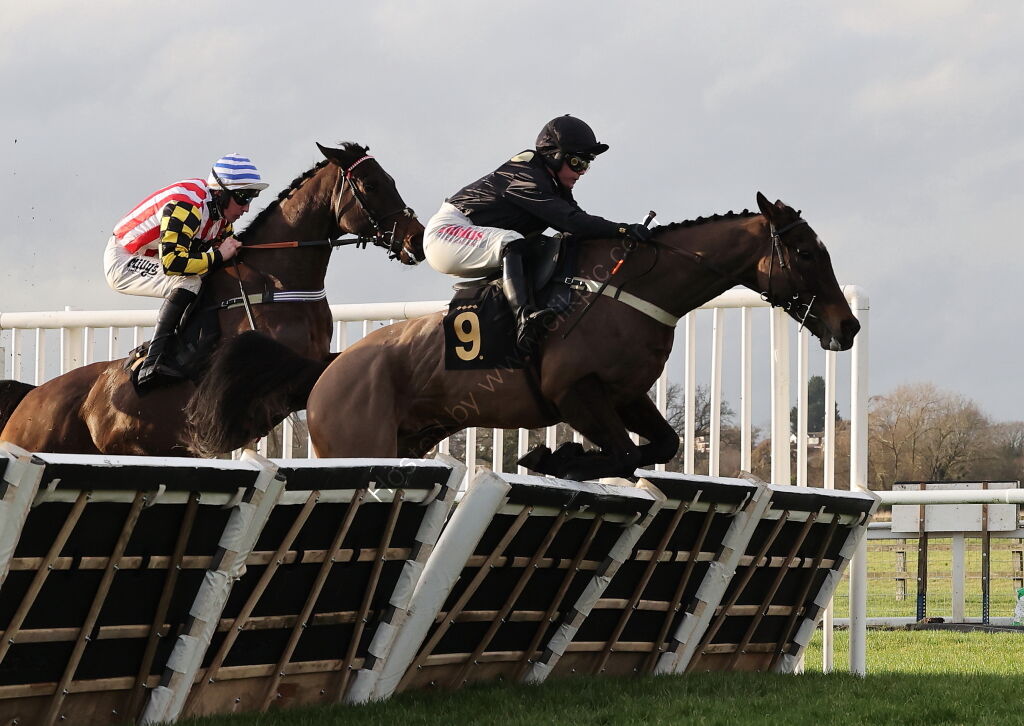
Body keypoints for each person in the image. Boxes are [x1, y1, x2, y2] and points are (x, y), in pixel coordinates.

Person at [422, 114, 652, 354]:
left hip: (467, 234)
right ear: (555, 156)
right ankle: (524, 318)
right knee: (512, 242)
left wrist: (621, 236)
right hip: (446, 233)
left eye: (588, 164)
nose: (583, 171)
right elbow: (571, 221)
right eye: (578, 162)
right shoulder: (526, 175)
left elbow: (579, 225)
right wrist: (622, 229)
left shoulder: (552, 183)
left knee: (548, 245)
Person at [103, 154, 268, 390]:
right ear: (220, 192)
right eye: (242, 197)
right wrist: (218, 255)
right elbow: (173, 263)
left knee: (207, 276)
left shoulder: (220, 216)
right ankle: (153, 361)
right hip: (124, 258)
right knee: (189, 281)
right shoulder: (187, 205)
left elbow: (222, 258)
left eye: (252, 197)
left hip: (155, 257)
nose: (246, 207)